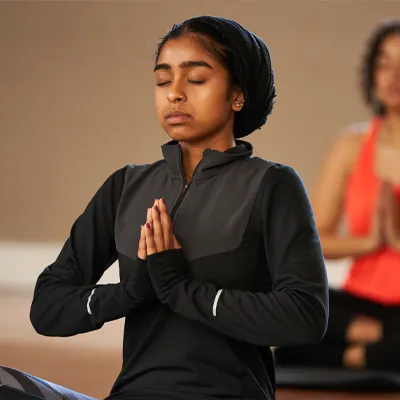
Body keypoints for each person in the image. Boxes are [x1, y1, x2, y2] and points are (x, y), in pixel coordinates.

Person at [1, 16, 328, 400]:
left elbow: (305, 317)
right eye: (162, 80)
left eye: (196, 79)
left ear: (237, 94)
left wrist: (181, 289)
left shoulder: (272, 185)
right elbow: (48, 308)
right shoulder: (126, 186)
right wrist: (132, 292)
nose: (174, 93)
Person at [274, 20, 400, 372]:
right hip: (360, 306)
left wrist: (397, 239)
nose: (394, 75)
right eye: (385, 63)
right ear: (372, 73)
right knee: (290, 305)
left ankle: (354, 356)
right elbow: (313, 242)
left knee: (295, 350)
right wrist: (372, 241)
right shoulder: (351, 147)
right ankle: (381, 343)